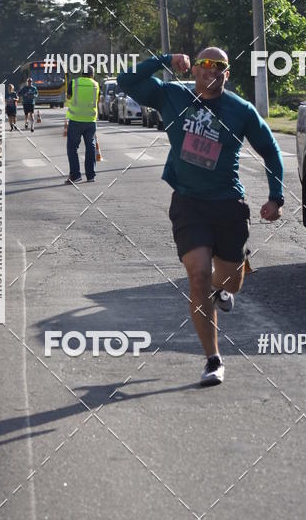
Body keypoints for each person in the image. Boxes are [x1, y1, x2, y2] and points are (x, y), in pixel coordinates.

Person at [118, 48, 284, 387]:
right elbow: (127, 80)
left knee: (230, 282)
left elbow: (270, 149)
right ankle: (213, 359)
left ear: (227, 73)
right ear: (193, 69)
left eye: (219, 66)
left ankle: (223, 288)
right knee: (198, 277)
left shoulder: (241, 110)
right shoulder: (172, 96)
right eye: (204, 64)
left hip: (228, 204)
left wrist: (276, 196)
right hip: (189, 203)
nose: (211, 70)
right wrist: (164, 59)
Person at [64, 67, 101, 184]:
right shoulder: (96, 85)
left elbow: (68, 97)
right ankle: (90, 175)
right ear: (92, 74)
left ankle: (75, 175)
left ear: (82, 73)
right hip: (90, 120)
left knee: (72, 148)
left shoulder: (74, 83)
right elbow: (98, 100)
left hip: (75, 119)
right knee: (90, 147)